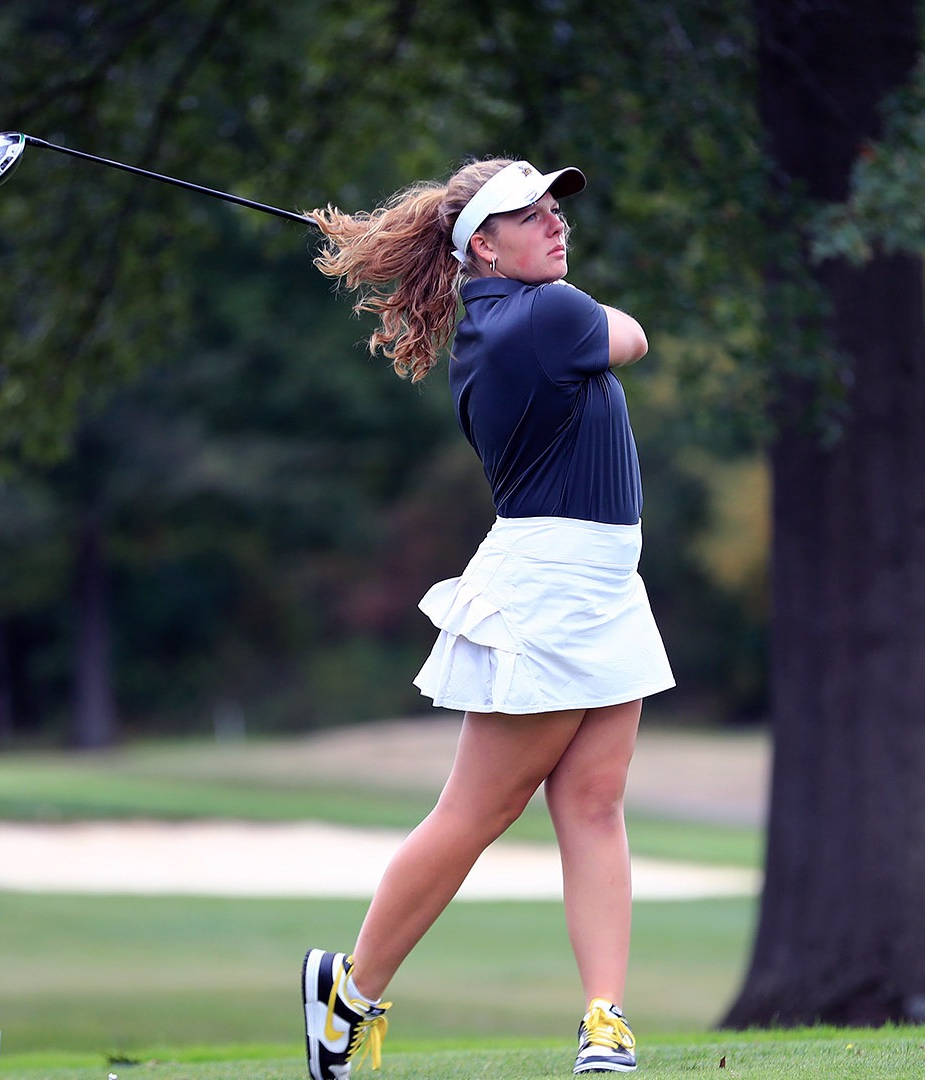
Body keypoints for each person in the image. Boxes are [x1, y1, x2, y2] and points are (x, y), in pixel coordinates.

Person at [300, 157, 674, 1079]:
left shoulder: (514, 314)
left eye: (556, 210)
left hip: (602, 581)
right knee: (477, 812)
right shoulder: (544, 315)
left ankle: (603, 1022)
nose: (556, 224)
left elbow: (616, 335)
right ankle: (349, 993)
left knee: (594, 803)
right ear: (484, 247)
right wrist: (578, 303)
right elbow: (633, 334)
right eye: (529, 216)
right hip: (549, 587)